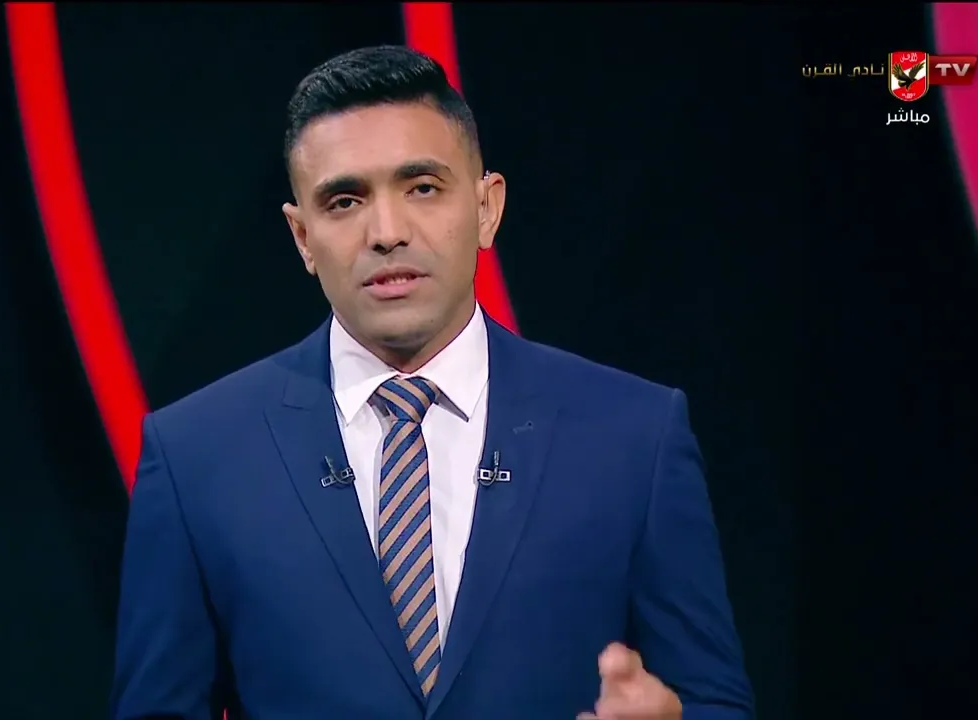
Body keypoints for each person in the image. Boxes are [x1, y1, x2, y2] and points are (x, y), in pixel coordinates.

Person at [110, 45, 754, 720]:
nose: (387, 232)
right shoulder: (196, 455)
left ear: (486, 206)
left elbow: (714, 701)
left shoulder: (634, 435)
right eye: (345, 201)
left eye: (422, 187)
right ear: (302, 237)